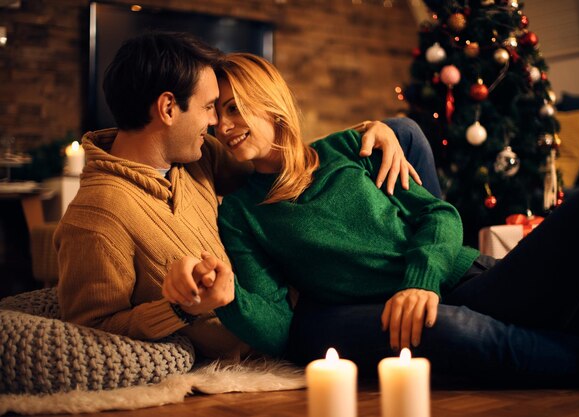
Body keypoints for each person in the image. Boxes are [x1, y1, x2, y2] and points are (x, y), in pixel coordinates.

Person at [164, 52, 579, 384]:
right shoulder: (243, 214)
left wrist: (420, 279)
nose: (223, 127)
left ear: (269, 101)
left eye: (233, 107)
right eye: (215, 114)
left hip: (475, 278)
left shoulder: (351, 147)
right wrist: (228, 300)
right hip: (434, 319)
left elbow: (439, 214)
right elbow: (277, 326)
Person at [54, 31, 426, 360]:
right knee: (458, 329)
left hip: (301, 296)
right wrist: (181, 309)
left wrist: (374, 132)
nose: (216, 123)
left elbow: (279, 158)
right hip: (278, 335)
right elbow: (89, 335)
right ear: (169, 108)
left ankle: (435, 269)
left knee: (405, 131)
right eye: (208, 108)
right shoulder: (96, 216)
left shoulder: (199, 159)